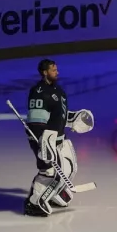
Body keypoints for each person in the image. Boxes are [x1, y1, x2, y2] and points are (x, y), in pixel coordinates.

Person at [24, 59, 94, 217]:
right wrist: (44, 143)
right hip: (44, 140)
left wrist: (73, 118)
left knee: (69, 168)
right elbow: (36, 122)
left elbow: (58, 115)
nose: (57, 72)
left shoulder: (59, 91)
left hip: (59, 139)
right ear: (44, 72)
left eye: (56, 69)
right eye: (53, 70)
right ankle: (34, 203)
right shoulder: (39, 92)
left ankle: (53, 193)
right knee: (49, 171)